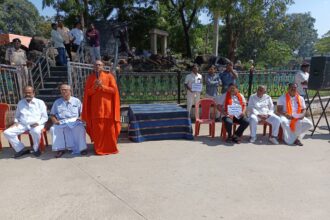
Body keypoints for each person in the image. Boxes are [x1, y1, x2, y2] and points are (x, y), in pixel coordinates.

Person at [82, 60, 121, 155]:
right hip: (96, 109)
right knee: (98, 130)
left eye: (99, 65)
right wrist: (94, 87)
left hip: (108, 109)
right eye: (95, 65)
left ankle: (111, 148)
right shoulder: (90, 78)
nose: (97, 66)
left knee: (109, 130)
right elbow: (88, 93)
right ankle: (98, 149)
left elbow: (114, 90)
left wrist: (102, 86)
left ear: (103, 66)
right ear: (93, 67)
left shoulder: (109, 76)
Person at [3, 86, 48, 158]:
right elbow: (17, 116)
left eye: (29, 92)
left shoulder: (40, 102)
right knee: (7, 132)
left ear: (33, 93)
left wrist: (38, 123)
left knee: (35, 131)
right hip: (22, 124)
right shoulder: (21, 102)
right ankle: (20, 149)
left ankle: (36, 149)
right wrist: (16, 122)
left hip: (36, 124)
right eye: (26, 92)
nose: (27, 94)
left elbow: (45, 117)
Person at [50, 84, 87, 158]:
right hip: (62, 121)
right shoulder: (57, 102)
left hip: (75, 120)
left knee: (80, 128)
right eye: (62, 90)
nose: (63, 91)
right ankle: (60, 149)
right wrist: (55, 121)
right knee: (54, 128)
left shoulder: (76, 101)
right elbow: (52, 114)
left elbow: (83, 112)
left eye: (65, 90)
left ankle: (82, 148)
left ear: (70, 91)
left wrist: (80, 118)